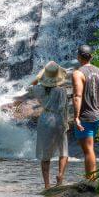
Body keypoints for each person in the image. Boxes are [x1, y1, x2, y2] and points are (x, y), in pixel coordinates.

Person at [29, 61, 69, 189]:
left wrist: (40, 76)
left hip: (46, 119)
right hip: (58, 119)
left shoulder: (40, 89)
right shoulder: (61, 90)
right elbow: (65, 108)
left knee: (45, 154)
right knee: (63, 149)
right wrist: (65, 123)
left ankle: (47, 185)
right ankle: (60, 176)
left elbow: (32, 85)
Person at [72, 44, 99, 180]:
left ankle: (91, 180)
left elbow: (77, 96)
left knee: (88, 150)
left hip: (85, 117)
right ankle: (92, 178)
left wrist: (76, 117)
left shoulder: (78, 73)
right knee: (90, 149)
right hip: (96, 116)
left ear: (78, 57)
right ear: (91, 57)